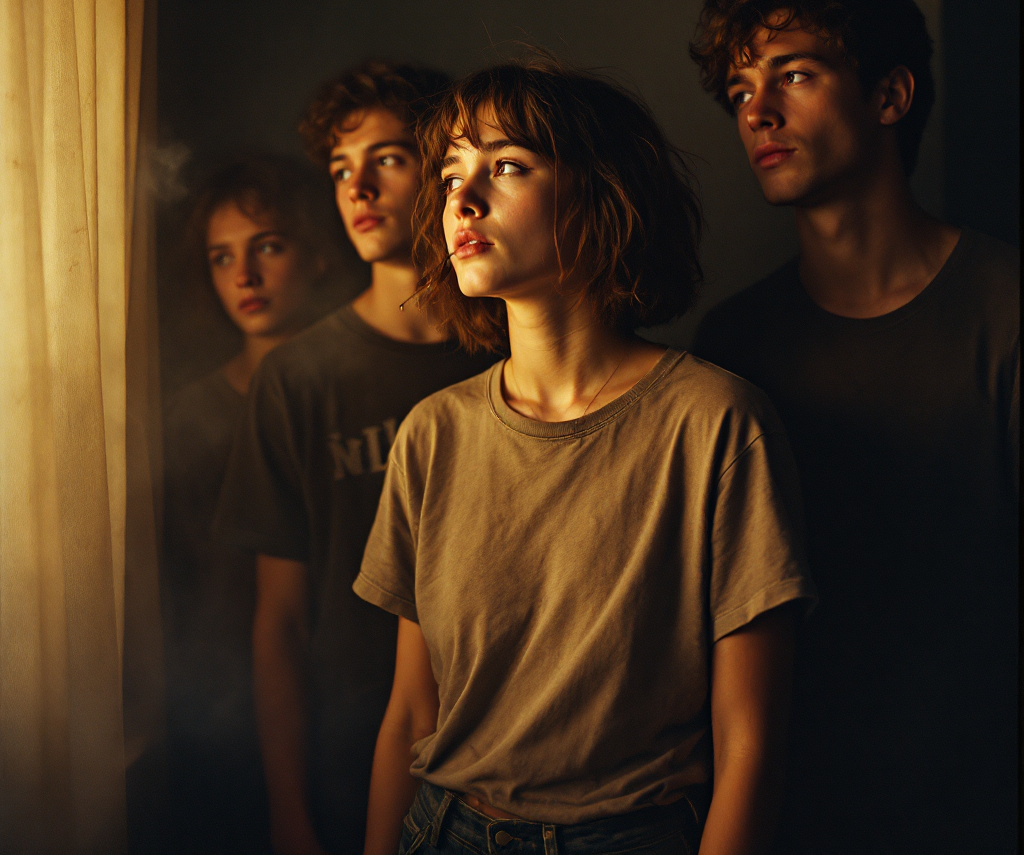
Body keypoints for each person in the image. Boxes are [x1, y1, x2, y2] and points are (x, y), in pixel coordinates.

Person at [354, 59, 817, 855]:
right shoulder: (433, 434)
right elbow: (409, 716)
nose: (461, 199)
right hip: (443, 831)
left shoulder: (715, 424)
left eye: (505, 166)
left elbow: (749, 742)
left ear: (603, 192)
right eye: (450, 175)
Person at [689, 0, 1019, 853]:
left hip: (983, 802)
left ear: (889, 96)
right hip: (795, 804)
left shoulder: (1005, 307)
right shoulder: (732, 348)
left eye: (792, 74)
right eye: (740, 88)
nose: (756, 109)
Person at [213, 62, 492, 855]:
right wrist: (290, 810)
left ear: (442, 170)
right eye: (341, 169)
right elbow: (280, 620)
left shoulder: (510, 348)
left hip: (498, 757)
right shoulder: (297, 377)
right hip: (347, 754)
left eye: (389, 159)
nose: (358, 188)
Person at [163, 154, 342, 854]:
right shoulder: (185, 418)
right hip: (220, 713)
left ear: (317, 253)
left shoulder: (357, 392)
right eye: (221, 257)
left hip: (356, 702)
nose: (244, 276)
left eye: (267, 245)